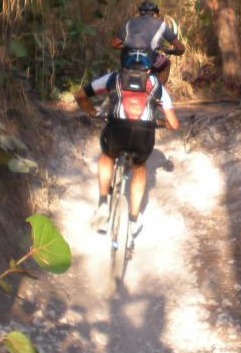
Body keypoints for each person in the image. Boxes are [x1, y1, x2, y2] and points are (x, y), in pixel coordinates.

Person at [74, 49, 180, 246]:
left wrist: (93, 112)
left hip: (116, 131)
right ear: (150, 67)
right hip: (143, 135)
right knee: (139, 166)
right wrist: (163, 123)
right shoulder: (157, 85)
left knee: (106, 155)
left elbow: (80, 95)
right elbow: (174, 124)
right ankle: (132, 220)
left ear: (123, 63)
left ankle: (103, 204)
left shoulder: (112, 78)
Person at [111, 0, 185, 86]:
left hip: (128, 61)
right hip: (148, 60)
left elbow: (114, 44)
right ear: (155, 14)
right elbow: (181, 48)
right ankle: (158, 91)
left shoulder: (130, 23)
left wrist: (129, 47)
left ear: (140, 13)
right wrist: (169, 51)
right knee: (167, 63)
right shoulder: (161, 24)